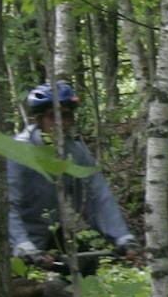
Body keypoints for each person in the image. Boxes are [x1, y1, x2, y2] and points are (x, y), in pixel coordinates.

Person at [7, 81, 138, 263]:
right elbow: (8, 205)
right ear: (38, 119)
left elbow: (97, 196)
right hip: (12, 242)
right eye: (54, 116)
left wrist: (121, 237)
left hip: (46, 237)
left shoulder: (75, 152)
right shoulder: (18, 151)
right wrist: (22, 245)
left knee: (86, 264)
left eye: (67, 116)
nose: (62, 123)